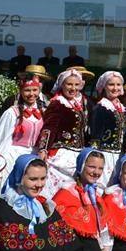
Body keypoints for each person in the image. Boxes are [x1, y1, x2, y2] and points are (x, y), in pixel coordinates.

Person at [0, 73, 46, 219]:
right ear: (20, 91)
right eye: (27, 90)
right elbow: (1, 139)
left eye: (34, 90)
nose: (31, 94)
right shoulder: (12, 113)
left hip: (33, 155)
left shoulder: (43, 112)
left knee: (32, 189)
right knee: (12, 189)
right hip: (14, 155)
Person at [36, 68, 89, 200]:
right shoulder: (58, 103)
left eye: (76, 85)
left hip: (76, 154)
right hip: (61, 153)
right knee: (56, 191)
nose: (73, 88)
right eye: (69, 84)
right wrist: (43, 149)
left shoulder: (79, 104)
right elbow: (49, 127)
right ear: (62, 85)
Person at [89, 71, 126, 185]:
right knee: (103, 185)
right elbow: (95, 135)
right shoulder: (101, 108)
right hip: (105, 155)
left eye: (118, 85)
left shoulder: (123, 109)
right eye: (111, 85)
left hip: (120, 155)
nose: (115, 88)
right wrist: (95, 157)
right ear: (104, 87)